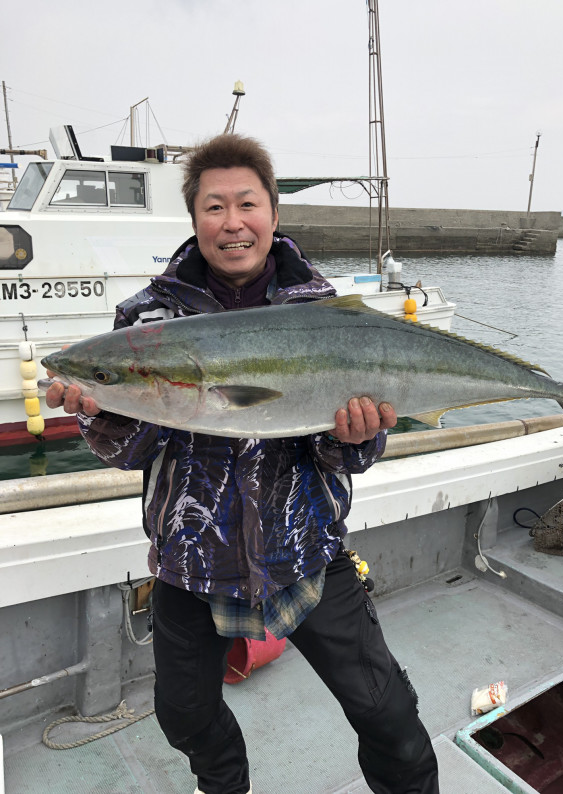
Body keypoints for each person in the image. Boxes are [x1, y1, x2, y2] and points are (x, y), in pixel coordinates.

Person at [46, 134, 439, 794]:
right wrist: (103, 410)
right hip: (190, 558)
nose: (232, 222)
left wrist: (352, 439)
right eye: (214, 207)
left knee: (389, 715)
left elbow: (352, 456)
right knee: (184, 717)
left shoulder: (325, 311)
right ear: (195, 219)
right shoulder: (145, 320)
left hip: (306, 550)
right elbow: (132, 450)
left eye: (247, 204)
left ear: (273, 215)